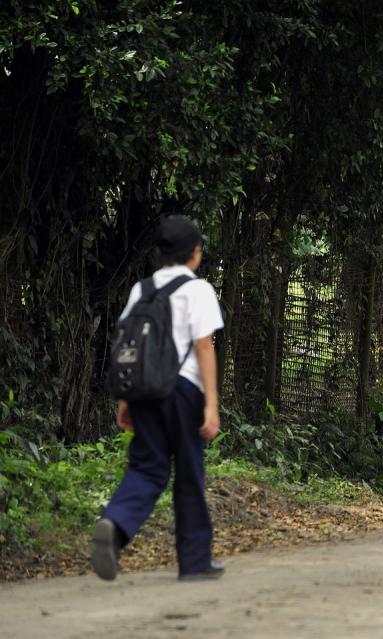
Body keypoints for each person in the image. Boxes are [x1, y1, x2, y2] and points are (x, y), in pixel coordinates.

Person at [92, 215, 225, 582]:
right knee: (188, 471)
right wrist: (211, 405)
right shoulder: (198, 290)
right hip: (183, 391)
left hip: (144, 391)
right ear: (195, 253)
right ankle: (196, 561)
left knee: (147, 467)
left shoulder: (142, 289)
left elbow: (128, 344)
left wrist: (126, 400)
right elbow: (203, 346)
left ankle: (115, 523)